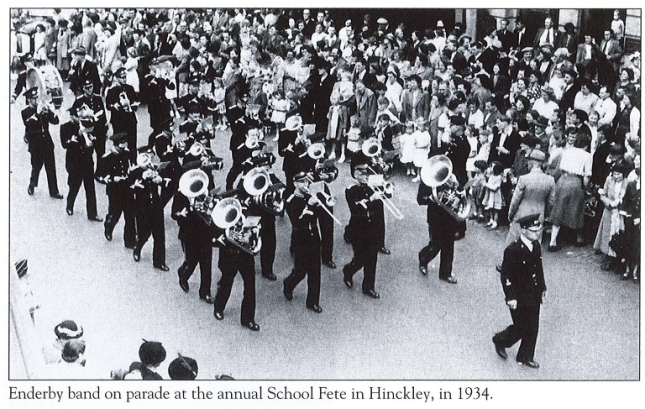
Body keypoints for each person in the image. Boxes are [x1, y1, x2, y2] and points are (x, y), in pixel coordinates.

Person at [493, 214, 547, 369]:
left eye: (539, 229)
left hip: (534, 293)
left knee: (534, 326)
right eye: (533, 230)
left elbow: (539, 269)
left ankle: (526, 356)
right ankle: (500, 340)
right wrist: (511, 297)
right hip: (519, 295)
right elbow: (506, 276)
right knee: (521, 326)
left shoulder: (536, 246)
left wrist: (542, 287)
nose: (537, 232)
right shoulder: (513, 250)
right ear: (523, 230)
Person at [343, 156, 385, 299]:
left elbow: (378, 206)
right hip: (358, 229)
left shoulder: (370, 186)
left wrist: (384, 194)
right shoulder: (351, 190)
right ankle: (348, 271)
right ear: (354, 173)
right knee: (360, 259)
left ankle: (368, 287)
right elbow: (356, 210)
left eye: (366, 173)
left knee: (372, 259)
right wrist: (370, 200)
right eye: (361, 173)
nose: (365, 176)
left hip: (371, 228)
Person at [283, 172, 323, 313]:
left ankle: (312, 302)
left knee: (315, 271)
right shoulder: (291, 201)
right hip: (301, 239)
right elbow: (298, 222)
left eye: (307, 183)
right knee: (300, 271)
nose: (305, 185)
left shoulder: (309, 196)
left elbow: (318, 216)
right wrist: (310, 207)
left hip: (314, 237)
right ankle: (288, 283)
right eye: (302, 183)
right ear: (295, 183)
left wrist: (320, 204)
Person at [417, 158, 461, 284]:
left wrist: (457, 189)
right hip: (435, 217)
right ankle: (423, 259)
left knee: (449, 245)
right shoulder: (427, 181)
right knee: (436, 244)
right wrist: (430, 198)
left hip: (449, 216)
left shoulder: (451, 177)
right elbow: (420, 199)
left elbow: (458, 192)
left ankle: (445, 273)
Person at [59, 107, 102, 221]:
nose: (79, 119)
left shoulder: (87, 124)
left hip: (87, 161)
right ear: (71, 116)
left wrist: (92, 139)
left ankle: (92, 214)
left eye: (80, 117)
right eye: (76, 117)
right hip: (75, 162)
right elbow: (65, 144)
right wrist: (77, 136)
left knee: (90, 188)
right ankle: (70, 205)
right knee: (74, 186)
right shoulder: (65, 127)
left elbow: (95, 139)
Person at [21, 87, 64, 198]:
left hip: (47, 142)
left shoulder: (42, 108)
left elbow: (55, 121)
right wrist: (38, 114)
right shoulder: (25, 112)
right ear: (29, 99)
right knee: (36, 166)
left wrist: (51, 111)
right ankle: (32, 184)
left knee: (51, 167)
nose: (36, 100)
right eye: (33, 98)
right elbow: (29, 126)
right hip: (36, 145)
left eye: (36, 98)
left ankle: (54, 191)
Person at [95, 132, 136, 249]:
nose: (125, 146)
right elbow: (98, 175)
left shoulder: (127, 153)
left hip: (127, 188)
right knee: (115, 213)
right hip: (115, 190)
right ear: (117, 145)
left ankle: (130, 241)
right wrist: (112, 179)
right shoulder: (106, 157)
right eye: (122, 144)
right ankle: (109, 226)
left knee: (130, 215)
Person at [131, 151, 168, 271]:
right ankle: (138, 247)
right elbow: (130, 188)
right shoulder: (134, 172)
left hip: (156, 205)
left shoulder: (154, 169)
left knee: (159, 235)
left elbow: (164, 184)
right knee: (144, 234)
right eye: (145, 163)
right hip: (142, 207)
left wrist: (160, 180)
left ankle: (159, 262)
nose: (148, 165)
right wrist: (142, 179)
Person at [106, 67, 139, 161]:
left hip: (130, 120)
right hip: (119, 121)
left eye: (125, 77)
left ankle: (133, 163)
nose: (124, 79)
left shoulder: (130, 88)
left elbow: (135, 103)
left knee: (132, 144)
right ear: (117, 78)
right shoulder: (112, 90)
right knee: (119, 144)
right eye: (122, 77)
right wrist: (115, 106)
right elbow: (108, 106)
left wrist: (131, 106)